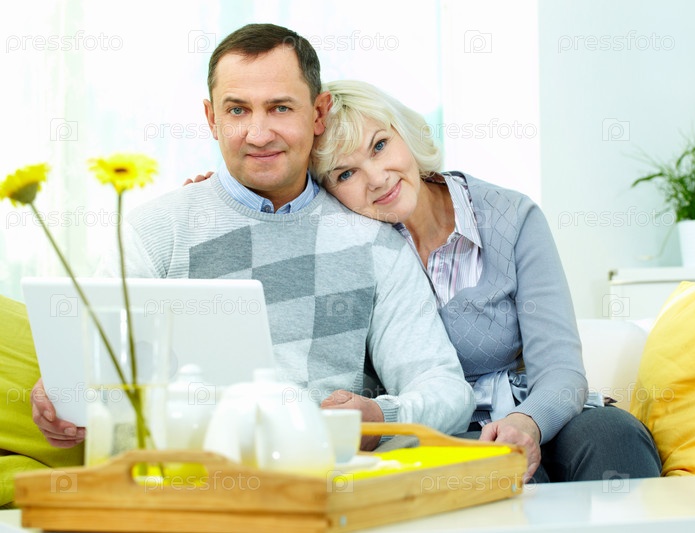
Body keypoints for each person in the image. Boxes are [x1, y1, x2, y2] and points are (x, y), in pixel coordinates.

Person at [30, 24, 475, 452]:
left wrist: (381, 417)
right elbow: (90, 371)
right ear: (212, 118)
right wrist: (62, 399)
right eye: (237, 110)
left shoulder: (377, 245)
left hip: (322, 486)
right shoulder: (154, 231)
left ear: (318, 114)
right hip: (181, 483)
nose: (258, 135)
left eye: (280, 108)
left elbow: (445, 390)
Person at [306, 80, 662, 483]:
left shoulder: (511, 216)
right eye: (345, 173)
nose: (376, 178)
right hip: (436, 432)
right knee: (502, 478)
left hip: (535, 411)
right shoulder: (351, 251)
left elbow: (560, 368)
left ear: (404, 133)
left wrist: (527, 423)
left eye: (380, 146)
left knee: (613, 437)